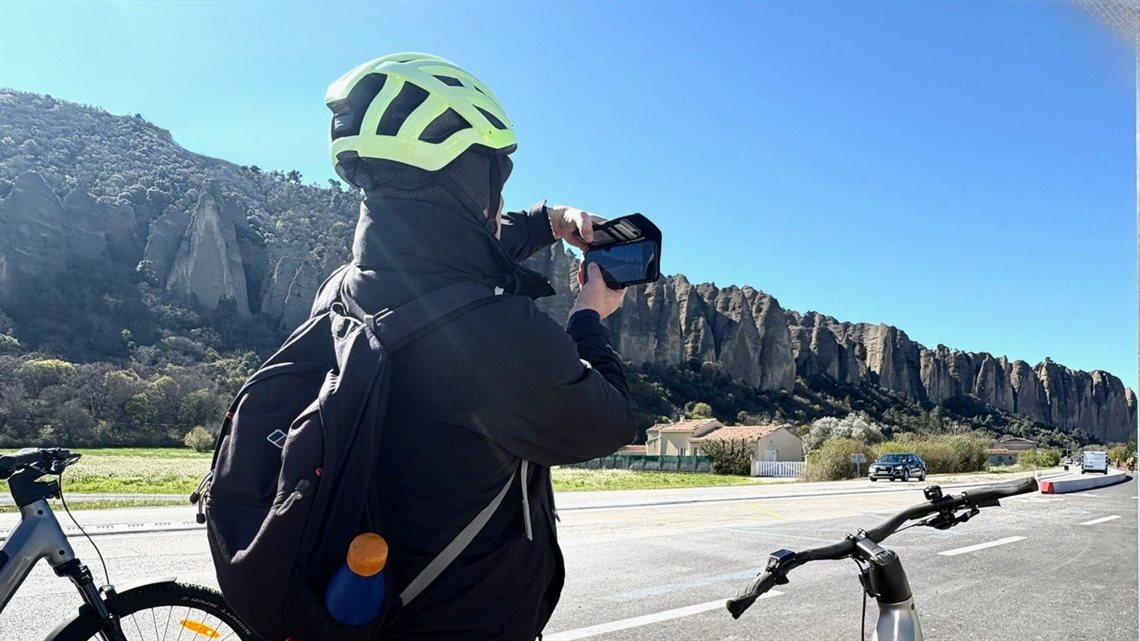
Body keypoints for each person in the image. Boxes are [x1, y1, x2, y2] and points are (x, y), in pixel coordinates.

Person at [312, 53, 637, 640]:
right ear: (468, 180)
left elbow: (434, 256)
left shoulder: (343, 287)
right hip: (460, 620)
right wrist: (591, 315)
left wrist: (548, 221)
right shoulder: (494, 332)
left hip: (366, 606)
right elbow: (611, 420)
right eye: (492, 177)